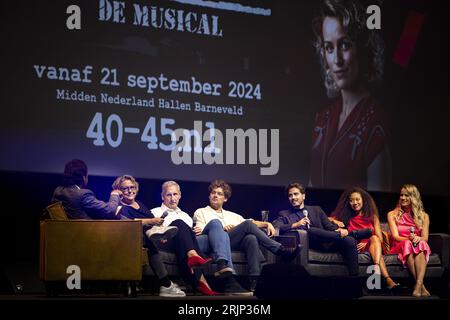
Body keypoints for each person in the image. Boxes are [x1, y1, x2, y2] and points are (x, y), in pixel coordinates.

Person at [309, 0, 391, 191]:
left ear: (362, 47)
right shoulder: (323, 118)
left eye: (345, 45)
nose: (336, 60)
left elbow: (376, 203)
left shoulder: (375, 122)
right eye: (329, 48)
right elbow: (310, 189)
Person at [193, 180, 299, 291]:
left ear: (225, 199)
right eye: (213, 193)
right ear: (209, 196)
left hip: (231, 242)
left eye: (219, 194)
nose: (215, 195)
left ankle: (254, 280)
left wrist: (267, 223)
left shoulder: (232, 215)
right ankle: (280, 250)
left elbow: (250, 222)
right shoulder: (201, 212)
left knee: (251, 238)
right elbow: (201, 231)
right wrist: (222, 228)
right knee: (218, 223)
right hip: (212, 242)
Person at [112, 175, 186, 297]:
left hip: (155, 237)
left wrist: (160, 231)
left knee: (177, 229)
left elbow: (154, 221)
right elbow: (129, 223)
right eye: (125, 188)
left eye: (132, 187)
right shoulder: (120, 207)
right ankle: (166, 285)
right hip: (135, 240)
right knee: (145, 237)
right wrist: (150, 222)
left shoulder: (140, 204)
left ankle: (178, 282)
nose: (130, 191)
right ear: (119, 191)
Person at [150, 180, 221, 296]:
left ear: (180, 195)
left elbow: (188, 238)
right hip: (164, 242)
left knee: (194, 233)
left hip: (181, 246)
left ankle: (199, 278)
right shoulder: (154, 212)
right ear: (162, 196)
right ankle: (195, 260)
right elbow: (150, 233)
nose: (173, 198)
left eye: (175, 194)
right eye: (169, 195)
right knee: (178, 223)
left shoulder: (186, 216)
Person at [272, 182, 359, 276]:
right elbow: (276, 227)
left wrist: (340, 230)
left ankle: (355, 279)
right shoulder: (285, 214)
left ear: (303, 196)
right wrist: (295, 224)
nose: (293, 197)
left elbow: (330, 227)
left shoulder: (316, 210)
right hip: (309, 245)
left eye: (296, 194)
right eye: (290, 195)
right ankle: (352, 233)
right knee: (310, 230)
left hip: (327, 242)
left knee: (349, 240)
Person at [331, 187, 399, 289]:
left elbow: (379, 239)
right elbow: (327, 219)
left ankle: (376, 269)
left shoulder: (373, 216)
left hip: (373, 245)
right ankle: (387, 279)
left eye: (357, 199)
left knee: (374, 239)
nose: (354, 202)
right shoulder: (347, 216)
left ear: (363, 200)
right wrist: (335, 221)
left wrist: (367, 242)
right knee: (376, 249)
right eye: (351, 200)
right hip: (357, 248)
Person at [387, 184, 431, 297]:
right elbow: (395, 237)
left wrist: (418, 238)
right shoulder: (392, 214)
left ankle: (418, 284)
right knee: (408, 243)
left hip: (416, 246)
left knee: (421, 243)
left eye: (407, 195)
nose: (403, 198)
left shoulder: (424, 216)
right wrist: (410, 239)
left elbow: (425, 238)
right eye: (401, 195)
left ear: (414, 197)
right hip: (398, 246)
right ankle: (421, 286)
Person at [52, 159, 122, 220]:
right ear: (83, 177)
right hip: (87, 232)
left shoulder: (58, 191)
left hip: (64, 231)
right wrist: (114, 194)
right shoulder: (82, 194)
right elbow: (110, 210)